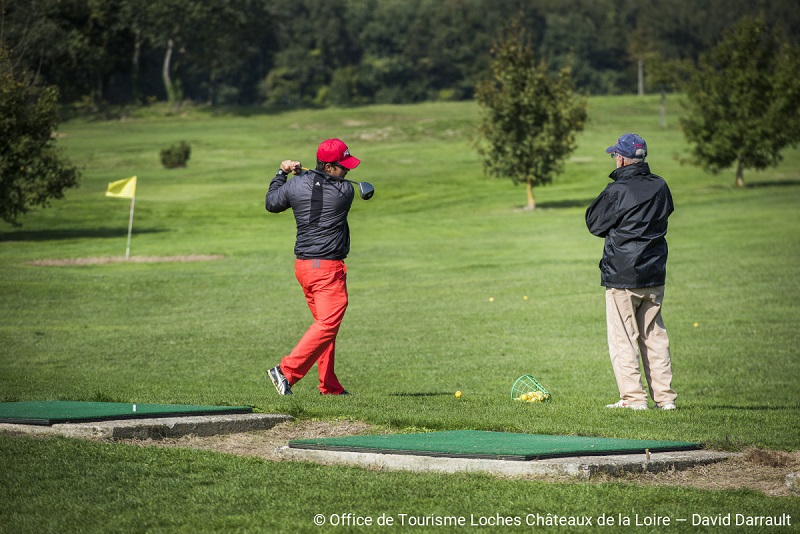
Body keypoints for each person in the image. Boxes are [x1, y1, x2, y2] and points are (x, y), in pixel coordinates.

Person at [585, 133, 677, 410]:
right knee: (654, 336)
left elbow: (594, 223)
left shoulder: (616, 191)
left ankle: (634, 399)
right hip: (654, 272)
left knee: (624, 338)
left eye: (615, 155)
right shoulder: (660, 185)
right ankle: (665, 400)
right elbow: (666, 212)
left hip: (623, 276)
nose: (615, 159)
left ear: (622, 159)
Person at [264, 138, 361, 395]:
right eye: (343, 166)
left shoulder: (296, 185)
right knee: (327, 324)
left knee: (325, 326)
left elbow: (272, 203)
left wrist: (282, 173)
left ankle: (329, 386)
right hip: (327, 270)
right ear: (329, 167)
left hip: (304, 268)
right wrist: (303, 176)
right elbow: (321, 189)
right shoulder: (345, 192)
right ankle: (286, 371)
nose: (348, 171)